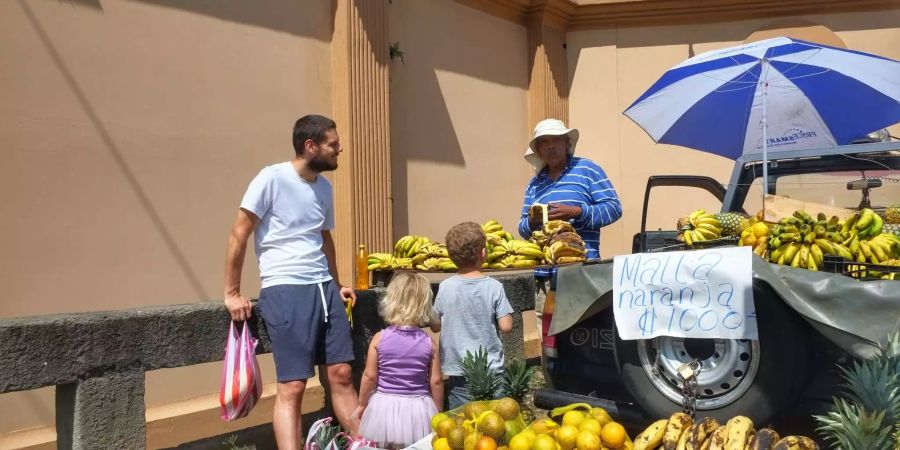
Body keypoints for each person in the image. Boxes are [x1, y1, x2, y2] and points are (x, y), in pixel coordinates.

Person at [223, 115, 359, 449]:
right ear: (310, 146)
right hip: (285, 288)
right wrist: (232, 292)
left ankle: (364, 444)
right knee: (294, 386)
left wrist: (337, 281)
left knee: (341, 375)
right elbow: (239, 233)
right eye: (333, 144)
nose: (339, 149)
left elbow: (323, 237)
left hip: (324, 288)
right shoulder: (271, 178)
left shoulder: (324, 188)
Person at [517, 118, 622, 336]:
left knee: (582, 335)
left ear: (567, 143)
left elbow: (613, 208)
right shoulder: (535, 184)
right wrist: (533, 222)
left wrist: (577, 212)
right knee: (548, 340)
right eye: (544, 142)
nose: (550, 146)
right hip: (545, 276)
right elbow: (522, 228)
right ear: (538, 149)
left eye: (556, 140)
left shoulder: (587, 170)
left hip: (582, 271)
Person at [430, 222, 514, 409]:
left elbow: (435, 325)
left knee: (463, 428)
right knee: (496, 427)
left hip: (460, 377)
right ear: (483, 253)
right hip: (492, 373)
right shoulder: (494, 286)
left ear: (451, 257)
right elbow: (506, 326)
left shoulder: (445, 287)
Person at [354, 272, 443, 449]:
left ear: (391, 300)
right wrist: (438, 412)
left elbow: (370, 376)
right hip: (418, 407)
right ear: (425, 304)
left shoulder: (379, 338)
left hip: (384, 405)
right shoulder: (429, 343)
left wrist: (362, 404)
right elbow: (437, 381)